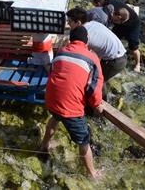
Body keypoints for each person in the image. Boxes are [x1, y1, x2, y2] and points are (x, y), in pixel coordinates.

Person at [40, 26, 104, 180]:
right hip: (71, 107)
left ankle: (44, 146)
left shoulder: (61, 51)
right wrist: (96, 105)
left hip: (51, 98)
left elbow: (55, 71)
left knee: (55, 118)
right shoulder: (92, 58)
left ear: (70, 39)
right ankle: (92, 174)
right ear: (87, 40)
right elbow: (94, 87)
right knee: (83, 141)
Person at [67, 7, 127, 98]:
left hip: (115, 61)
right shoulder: (93, 23)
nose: (68, 23)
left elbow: (79, 56)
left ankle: (101, 103)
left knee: (97, 80)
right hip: (121, 53)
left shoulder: (85, 36)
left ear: (78, 23)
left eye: (70, 21)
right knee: (97, 75)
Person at [92, 0, 142, 72]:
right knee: (111, 41)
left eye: (94, 5)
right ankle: (103, 59)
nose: (95, 7)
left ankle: (137, 64)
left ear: (98, 3)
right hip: (120, 24)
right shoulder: (109, 3)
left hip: (133, 24)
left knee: (133, 47)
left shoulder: (110, 8)